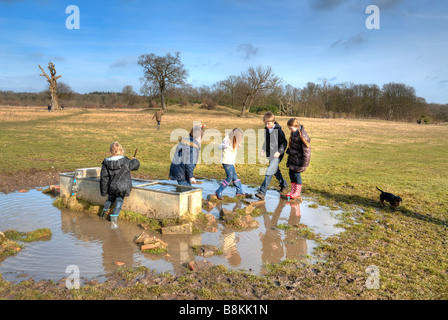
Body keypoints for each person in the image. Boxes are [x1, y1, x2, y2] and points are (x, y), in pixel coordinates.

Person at [100, 141, 140, 228]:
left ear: (110, 151)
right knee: (119, 201)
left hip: (112, 187)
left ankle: (103, 213)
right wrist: (134, 159)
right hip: (122, 187)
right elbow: (135, 165)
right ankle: (113, 221)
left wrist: (103, 191)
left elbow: (104, 178)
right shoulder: (125, 161)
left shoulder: (106, 162)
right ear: (121, 150)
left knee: (110, 199)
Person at [255, 112, 288, 200]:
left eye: (268, 123)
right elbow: (266, 141)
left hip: (277, 155)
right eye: (265, 123)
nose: (266, 125)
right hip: (270, 154)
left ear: (273, 122)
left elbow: (284, 143)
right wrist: (263, 149)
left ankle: (262, 192)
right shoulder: (266, 130)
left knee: (269, 171)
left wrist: (279, 152)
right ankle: (284, 184)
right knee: (275, 171)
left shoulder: (279, 131)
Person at [215, 128, 247, 199]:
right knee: (229, 177)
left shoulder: (232, 140)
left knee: (234, 177)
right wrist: (225, 146)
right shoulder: (226, 140)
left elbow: (234, 145)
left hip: (231, 162)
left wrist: (238, 145)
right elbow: (219, 146)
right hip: (227, 162)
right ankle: (219, 190)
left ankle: (239, 191)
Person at [285, 118, 311, 200]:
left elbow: (307, 151)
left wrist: (304, 163)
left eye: (291, 128)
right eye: (289, 128)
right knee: (291, 174)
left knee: (297, 175)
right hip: (293, 159)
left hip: (299, 160)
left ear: (296, 126)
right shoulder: (294, 133)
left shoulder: (302, 136)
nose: (290, 129)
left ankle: (297, 191)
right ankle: (293, 191)